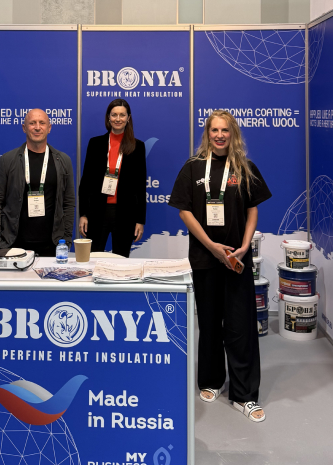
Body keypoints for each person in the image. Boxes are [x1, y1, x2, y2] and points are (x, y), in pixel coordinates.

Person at [169, 111, 271, 423]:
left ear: (233, 133)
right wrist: (212, 247)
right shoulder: (193, 167)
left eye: (225, 130)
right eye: (214, 130)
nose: (219, 135)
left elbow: (252, 210)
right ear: (207, 133)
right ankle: (211, 380)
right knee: (210, 323)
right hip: (205, 258)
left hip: (236, 260)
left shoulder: (245, 168)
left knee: (241, 326)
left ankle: (244, 395)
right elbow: (184, 212)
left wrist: (245, 244)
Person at [0, 108, 75, 258]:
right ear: (24, 127)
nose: (37, 127)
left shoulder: (63, 161)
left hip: (52, 245)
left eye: (42, 123)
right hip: (14, 243)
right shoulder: (7, 160)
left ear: (49, 128)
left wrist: (66, 239)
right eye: (32, 123)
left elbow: (69, 202)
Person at [77, 98, 147, 258]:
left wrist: (140, 220)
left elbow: (140, 187)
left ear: (128, 118)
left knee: (121, 261)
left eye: (122, 115)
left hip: (125, 214)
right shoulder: (95, 143)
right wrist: (83, 214)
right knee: (93, 260)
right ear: (108, 117)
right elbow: (86, 182)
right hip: (97, 212)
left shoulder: (138, 147)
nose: (118, 119)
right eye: (114, 114)